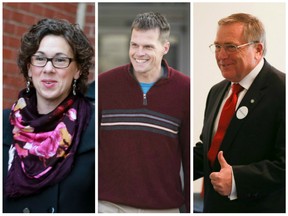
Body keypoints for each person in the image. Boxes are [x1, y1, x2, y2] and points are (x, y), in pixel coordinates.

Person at [98, 12, 190, 213]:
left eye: (148, 46)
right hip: (109, 206)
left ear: (165, 48)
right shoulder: (104, 85)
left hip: (163, 209)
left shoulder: (185, 90)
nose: (139, 53)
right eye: (134, 45)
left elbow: (188, 156)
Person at [194, 13, 285, 213]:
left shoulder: (282, 91)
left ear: (258, 49)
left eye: (231, 47)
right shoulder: (217, 91)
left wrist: (237, 180)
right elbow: (210, 149)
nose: (221, 55)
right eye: (217, 47)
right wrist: (173, 168)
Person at [3, 18, 95, 213]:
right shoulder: (3, 125)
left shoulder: (96, 129)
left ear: (77, 70)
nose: (48, 68)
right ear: (29, 68)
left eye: (60, 60)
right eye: (40, 58)